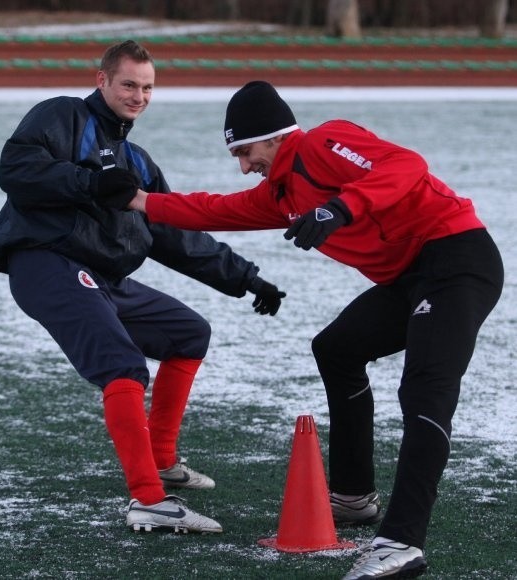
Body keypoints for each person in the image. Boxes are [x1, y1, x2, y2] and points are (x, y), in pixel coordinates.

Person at [130, 81, 504, 577]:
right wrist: (136, 199)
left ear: (274, 136)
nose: (243, 165)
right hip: (409, 277)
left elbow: (406, 165)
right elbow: (211, 209)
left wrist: (339, 207)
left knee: (425, 391)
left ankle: (401, 541)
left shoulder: (324, 143)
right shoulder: (280, 195)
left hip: (457, 259)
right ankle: (353, 499)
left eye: (245, 151)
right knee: (337, 348)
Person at [0, 47, 286, 535]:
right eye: (129, 85)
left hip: (102, 278)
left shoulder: (136, 162)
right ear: (102, 80)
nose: (138, 96)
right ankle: (149, 499)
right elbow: (16, 170)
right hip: (45, 262)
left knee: (188, 332)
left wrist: (246, 277)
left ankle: (162, 460)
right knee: (121, 363)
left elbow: (173, 233)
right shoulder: (62, 114)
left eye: (147, 88)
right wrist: (89, 182)